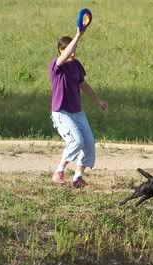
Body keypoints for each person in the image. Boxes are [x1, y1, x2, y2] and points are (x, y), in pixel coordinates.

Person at [49, 28, 107, 188]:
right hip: (61, 112)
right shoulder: (56, 65)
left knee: (89, 143)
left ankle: (78, 177)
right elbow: (63, 58)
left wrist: (98, 100)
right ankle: (58, 171)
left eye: (75, 50)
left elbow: (84, 85)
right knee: (77, 141)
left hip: (77, 112)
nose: (73, 54)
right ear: (61, 50)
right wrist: (78, 35)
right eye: (70, 51)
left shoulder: (76, 65)